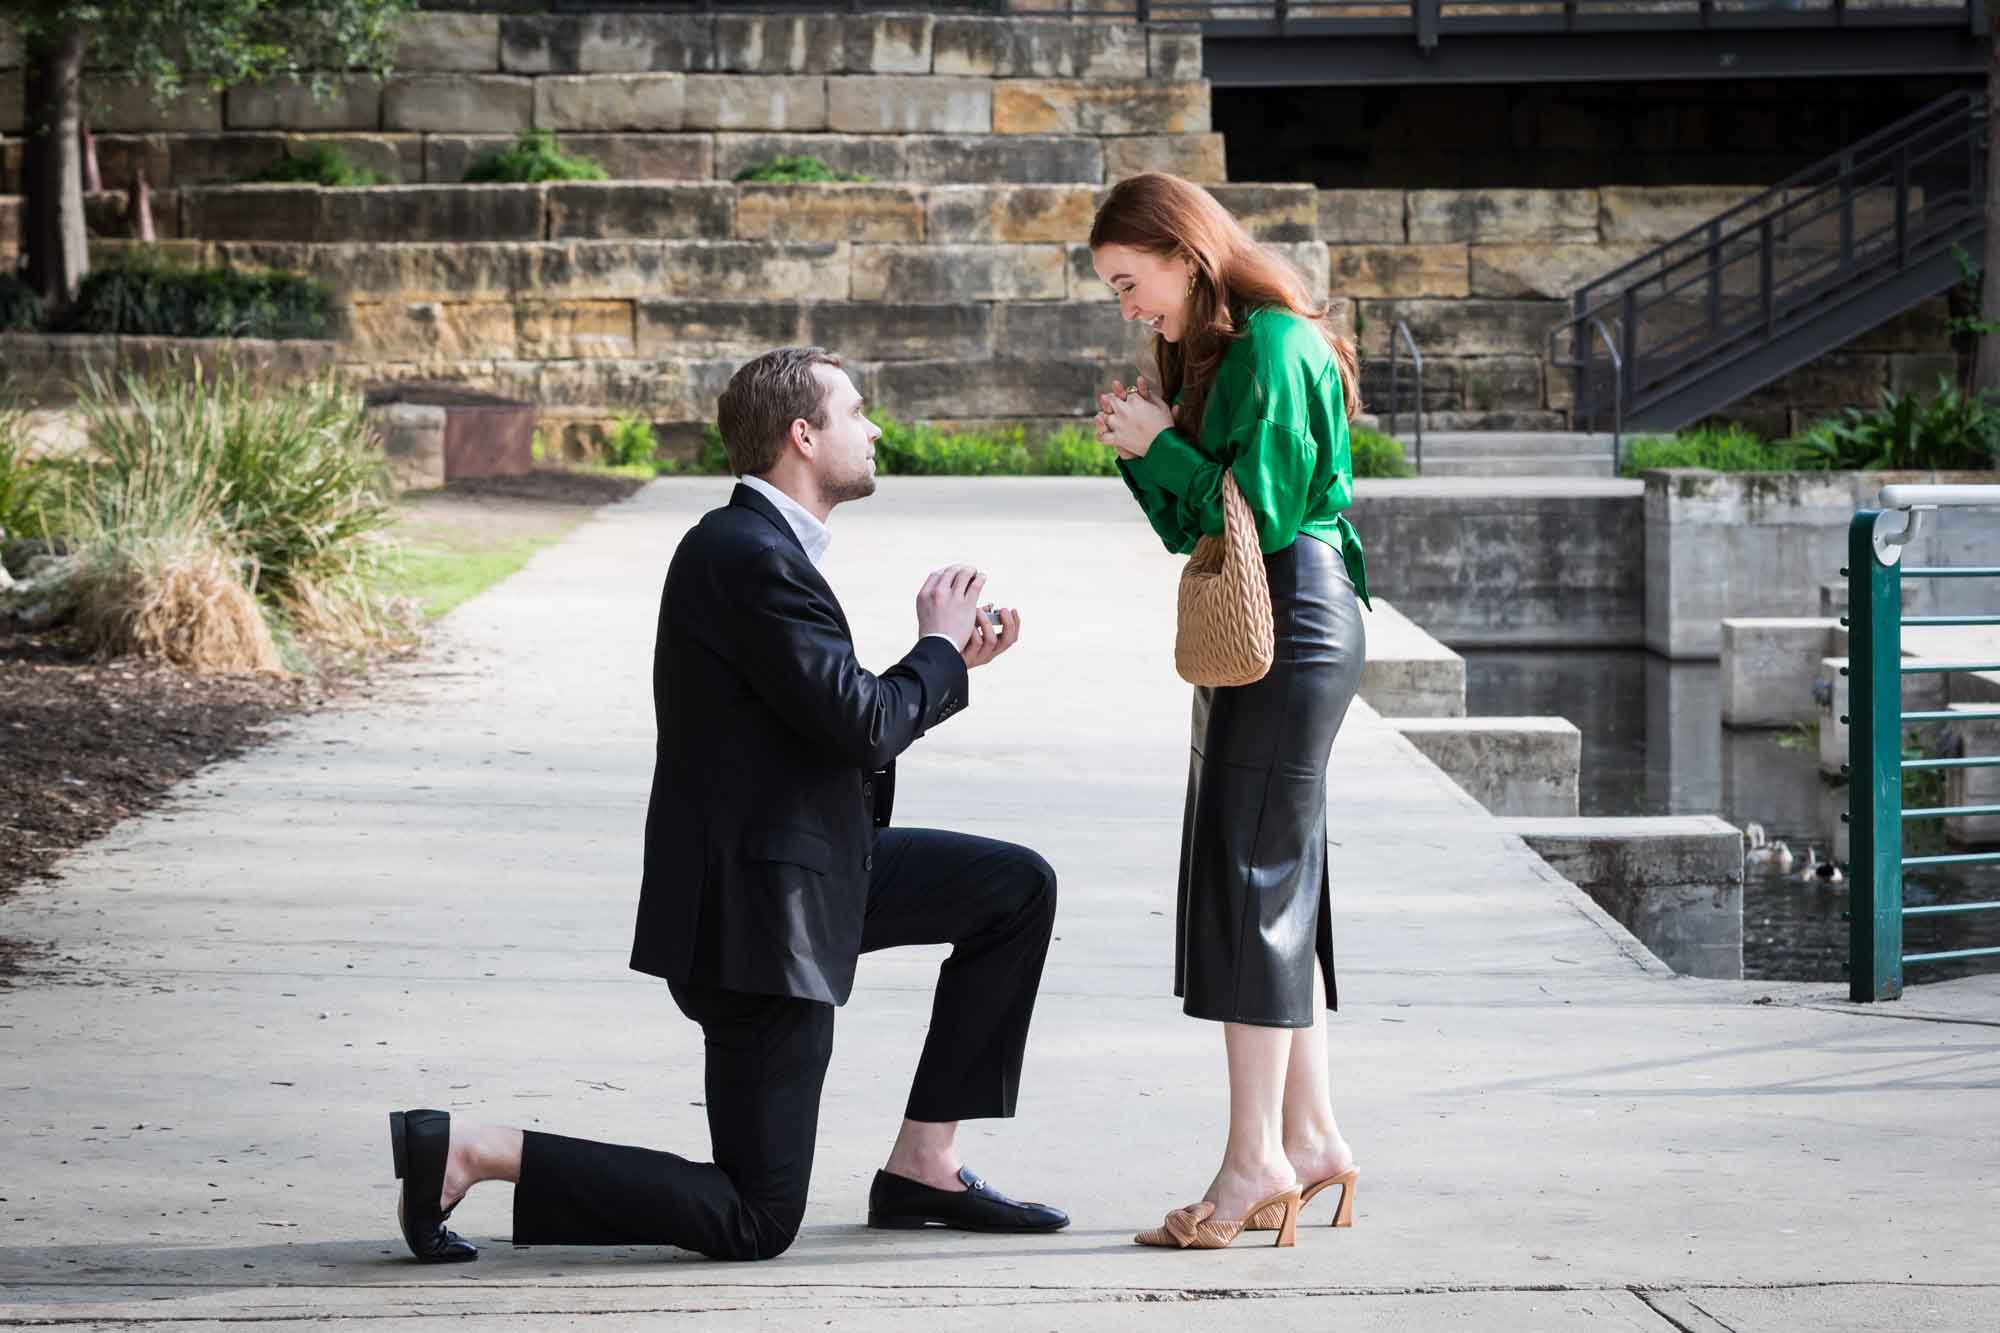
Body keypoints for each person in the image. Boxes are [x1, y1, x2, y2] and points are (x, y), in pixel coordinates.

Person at [388, 346, 1067, 1264]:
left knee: (1013, 888)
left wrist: (946, 667)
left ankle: (924, 1163)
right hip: (759, 923)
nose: (874, 429)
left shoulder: (763, 549)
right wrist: (936, 651)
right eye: (856, 412)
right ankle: (473, 1150)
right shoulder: (747, 555)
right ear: (802, 434)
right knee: (756, 1216)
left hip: (811, 869)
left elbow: (829, 720)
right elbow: (863, 723)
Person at [1087, 173, 1371, 1252]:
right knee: (1269, 869)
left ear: (1183, 250)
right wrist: (1145, 446)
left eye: (1130, 279)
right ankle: (1310, 1138)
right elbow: (1191, 528)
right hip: (1264, 617)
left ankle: (1255, 1158)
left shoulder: (1273, 345)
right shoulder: (1221, 348)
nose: (1125, 304)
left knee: (1250, 874)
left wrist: (1161, 442)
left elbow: (1265, 510)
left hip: (1291, 617)